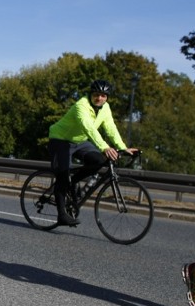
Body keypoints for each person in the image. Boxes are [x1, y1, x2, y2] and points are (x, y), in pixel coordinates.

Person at [48, 79, 137, 226]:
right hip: (60, 140)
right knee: (63, 176)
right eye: (96, 95)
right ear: (91, 94)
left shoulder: (105, 107)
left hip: (79, 142)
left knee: (99, 160)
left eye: (103, 96)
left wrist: (122, 147)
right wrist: (104, 147)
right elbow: (89, 128)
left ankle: (72, 183)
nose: (99, 98)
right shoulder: (81, 106)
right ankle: (62, 214)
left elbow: (110, 127)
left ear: (107, 97)